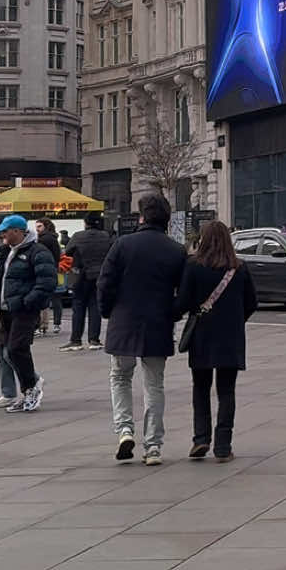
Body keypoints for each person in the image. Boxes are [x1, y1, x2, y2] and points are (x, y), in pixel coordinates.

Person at [97, 194, 187, 465]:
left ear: (141, 217)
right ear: (167, 220)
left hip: (124, 321)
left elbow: (105, 282)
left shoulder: (123, 245)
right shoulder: (176, 250)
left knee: (120, 377)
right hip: (157, 323)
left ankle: (124, 430)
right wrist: (172, 313)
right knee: (154, 384)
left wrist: (107, 311)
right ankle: (153, 445)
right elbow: (183, 293)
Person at [176, 220, 257, 462]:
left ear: (203, 240)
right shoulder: (239, 268)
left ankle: (200, 439)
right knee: (226, 391)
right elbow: (252, 303)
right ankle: (223, 446)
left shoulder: (193, 266)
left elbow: (183, 302)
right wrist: (235, 319)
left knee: (200, 389)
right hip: (230, 337)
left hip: (201, 335)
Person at [0, 216, 55, 412]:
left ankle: (31, 388)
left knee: (16, 349)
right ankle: (18, 391)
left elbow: (47, 282)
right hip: (4, 309)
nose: (2, 234)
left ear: (17, 231)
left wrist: (28, 302)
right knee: (4, 352)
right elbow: (0, 281)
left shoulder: (37, 251)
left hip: (23, 310)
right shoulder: (7, 251)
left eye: (5, 231)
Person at [60, 212, 112, 351]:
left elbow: (68, 252)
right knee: (95, 306)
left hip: (81, 275)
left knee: (78, 307)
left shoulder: (78, 236)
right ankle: (94, 340)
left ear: (86, 223)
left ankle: (76, 340)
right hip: (99, 275)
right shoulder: (106, 236)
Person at [34, 219, 63, 335]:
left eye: (39, 226)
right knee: (56, 299)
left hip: (43, 271)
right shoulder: (54, 238)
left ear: (46, 226)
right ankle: (56, 324)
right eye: (36, 226)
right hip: (54, 271)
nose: (37, 229)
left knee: (41, 299)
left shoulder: (43, 240)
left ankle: (40, 325)